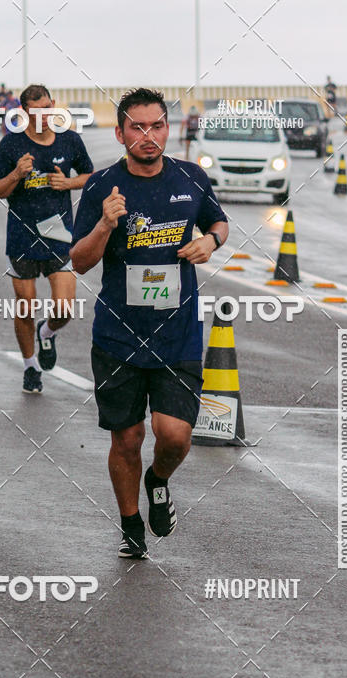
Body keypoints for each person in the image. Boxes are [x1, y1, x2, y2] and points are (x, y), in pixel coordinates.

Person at [70, 88, 229, 560]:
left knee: (175, 435)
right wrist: (104, 225)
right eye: (137, 127)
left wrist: (210, 244)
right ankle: (130, 524)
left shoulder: (190, 177)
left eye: (156, 125)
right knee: (128, 437)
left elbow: (219, 223)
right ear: (120, 133)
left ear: (168, 128)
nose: (148, 136)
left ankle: (157, 481)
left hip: (177, 333)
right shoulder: (102, 186)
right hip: (118, 335)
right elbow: (78, 262)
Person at [0, 84, 94, 394]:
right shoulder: (11, 145)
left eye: (48, 108)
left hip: (59, 237)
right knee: (25, 306)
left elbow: (91, 177)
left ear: (54, 105)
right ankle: (30, 366)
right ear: (24, 112)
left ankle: (46, 332)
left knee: (64, 308)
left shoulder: (70, 140)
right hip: (22, 238)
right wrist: (16, 176)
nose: (43, 115)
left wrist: (68, 182)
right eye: (36, 111)